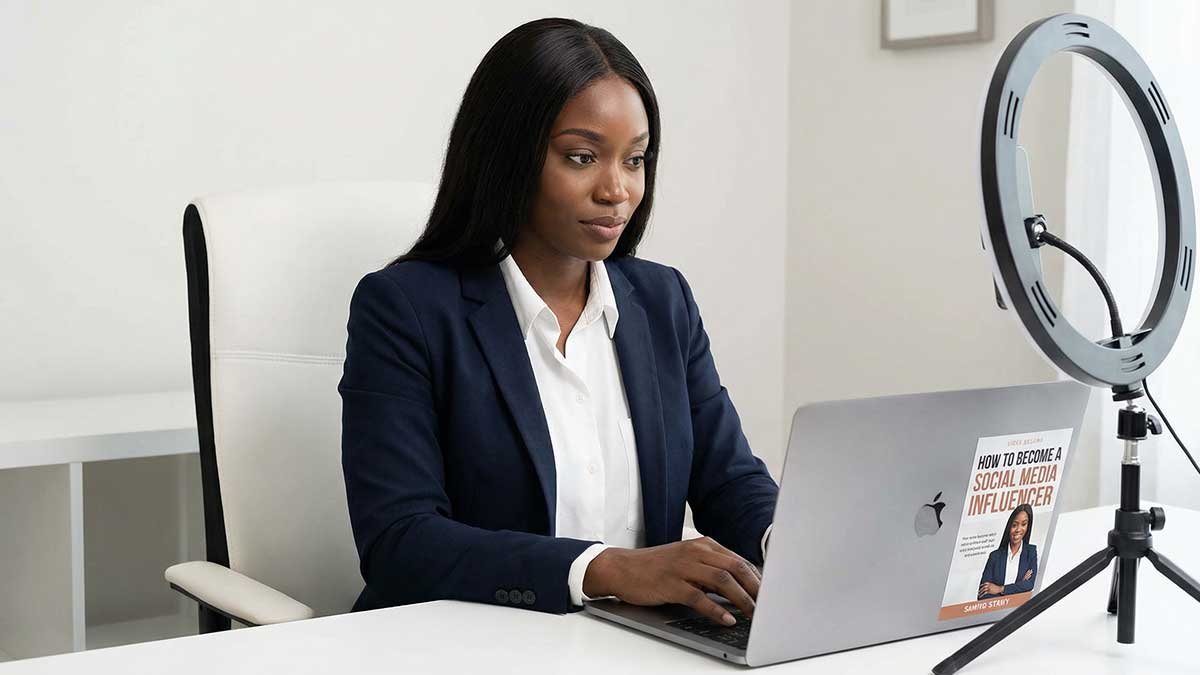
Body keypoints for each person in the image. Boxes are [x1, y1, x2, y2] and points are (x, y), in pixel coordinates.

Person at [339, 18, 779, 628]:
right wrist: (606, 569)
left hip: (638, 645)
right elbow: (400, 542)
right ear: (507, 156)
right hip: (467, 646)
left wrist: (785, 544)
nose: (617, 190)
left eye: (635, 160)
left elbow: (728, 480)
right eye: (582, 157)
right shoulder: (405, 309)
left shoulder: (662, 300)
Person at [978, 504, 1038, 599]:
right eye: (1014, 525)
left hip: (1020, 610)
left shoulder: (1031, 552)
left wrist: (1000, 589)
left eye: (1023, 524)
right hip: (995, 611)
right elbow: (982, 594)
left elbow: (1029, 585)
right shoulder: (995, 556)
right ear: (1009, 527)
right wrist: (1019, 586)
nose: (1018, 530)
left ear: (1028, 526)